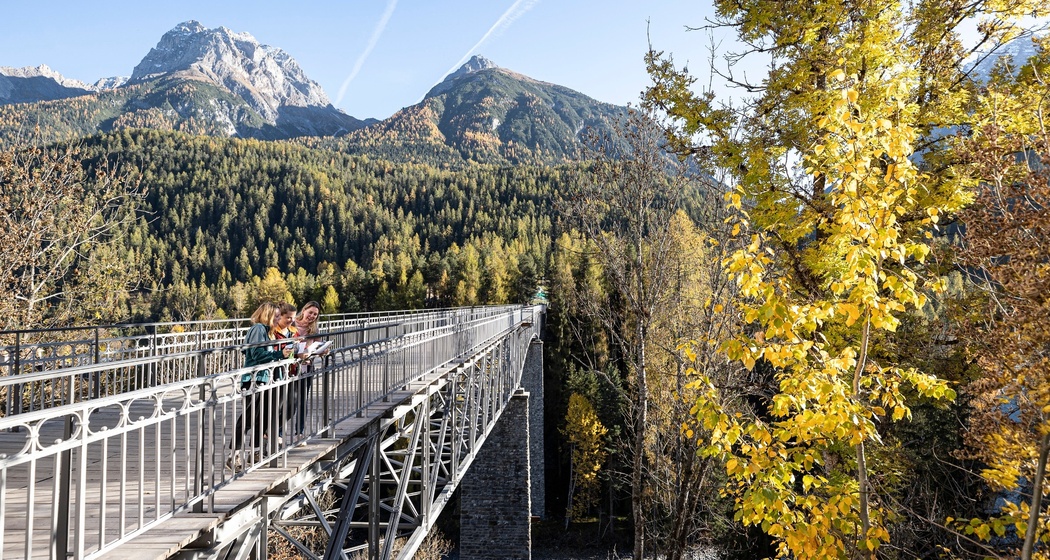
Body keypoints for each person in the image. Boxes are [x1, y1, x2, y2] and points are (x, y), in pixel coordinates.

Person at [228, 302, 292, 472]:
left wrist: (282, 354)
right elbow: (256, 353)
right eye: (276, 316)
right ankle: (233, 455)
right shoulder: (258, 329)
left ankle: (255, 453)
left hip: (264, 378)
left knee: (261, 418)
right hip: (254, 379)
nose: (278, 319)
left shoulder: (266, 331)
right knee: (248, 419)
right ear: (267, 315)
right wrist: (279, 353)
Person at [291, 301, 325, 441]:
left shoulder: (314, 329)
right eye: (310, 312)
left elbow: (317, 346)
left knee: (302, 400)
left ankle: (299, 432)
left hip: (307, 366)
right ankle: (279, 433)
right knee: (288, 401)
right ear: (304, 310)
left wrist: (322, 351)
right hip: (291, 367)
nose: (312, 316)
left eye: (315, 314)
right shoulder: (291, 323)